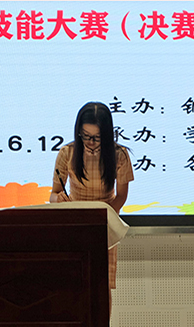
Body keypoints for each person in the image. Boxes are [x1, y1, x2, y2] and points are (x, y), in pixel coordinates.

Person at [50, 102, 134, 314]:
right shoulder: (67, 153)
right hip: (75, 223)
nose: (90, 142)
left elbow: (121, 196)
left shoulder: (120, 154)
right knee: (74, 283)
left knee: (102, 285)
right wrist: (60, 202)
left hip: (104, 225)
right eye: (85, 136)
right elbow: (54, 193)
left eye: (96, 137)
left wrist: (102, 217)